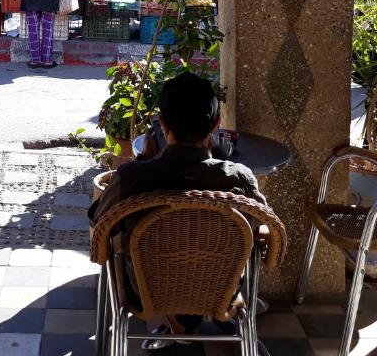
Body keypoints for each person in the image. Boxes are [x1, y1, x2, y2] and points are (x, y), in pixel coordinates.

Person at [88, 71, 267, 346]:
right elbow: (262, 226)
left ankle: (179, 322)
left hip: (147, 291)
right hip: (222, 289)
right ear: (216, 124)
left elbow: (99, 221)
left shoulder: (134, 179)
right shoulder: (238, 179)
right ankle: (201, 318)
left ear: (162, 125)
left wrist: (145, 159)